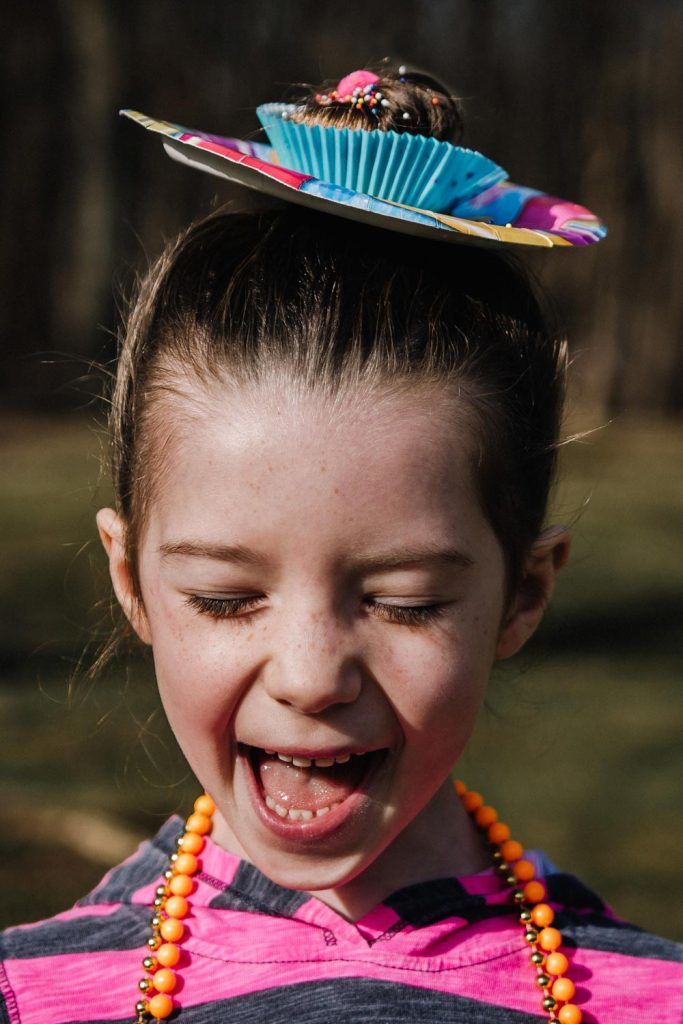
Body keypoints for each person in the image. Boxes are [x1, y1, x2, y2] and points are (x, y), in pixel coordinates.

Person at [0, 67, 679, 1024]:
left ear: (524, 594)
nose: (311, 677)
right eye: (227, 598)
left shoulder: (649, 1001)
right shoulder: (30, 995)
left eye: (405, 602)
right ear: (131, 581)